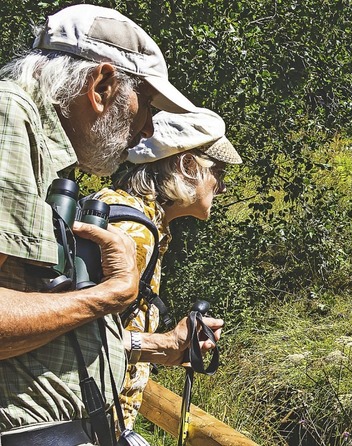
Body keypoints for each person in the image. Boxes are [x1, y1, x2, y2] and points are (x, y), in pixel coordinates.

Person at [0, 4, 223, 445]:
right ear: (101, 85)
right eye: (146, 105)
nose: (147, 129)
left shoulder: (51, 157)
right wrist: (110, 294)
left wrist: (158, 347)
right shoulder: (11, 118)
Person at [93, 108, 242, 430]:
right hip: (90, 420)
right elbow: (70, 337)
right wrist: (163, 345)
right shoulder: (134, 233)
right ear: (189, 166)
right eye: (220, 174)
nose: (223, 187)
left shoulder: (116, 209)